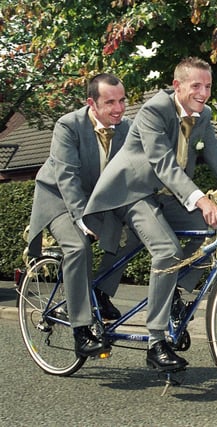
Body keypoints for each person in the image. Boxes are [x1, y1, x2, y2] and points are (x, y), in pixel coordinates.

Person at [83, 57, 217, 371]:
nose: (204, 92)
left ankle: (174, 291)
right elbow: (163, 164)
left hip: (168, 195)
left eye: (209, 86)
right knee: (167, 250)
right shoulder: (154, 110)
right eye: (197, 86)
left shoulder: (204, 115)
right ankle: (156, 341)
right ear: (178, 86)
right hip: (133, 193)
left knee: (214, 233)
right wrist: (202, 200)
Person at [26, 73, 134, 358]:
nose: (119, 108)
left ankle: (100, 292)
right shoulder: (68, 125)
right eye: (110, 102)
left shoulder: (126, 129)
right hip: (59, 198)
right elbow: (67, 176)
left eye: (122, 100)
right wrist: (80, 218)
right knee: (78, 246)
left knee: (135, 234)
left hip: (96, 202)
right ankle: (81, 331)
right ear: (92, 103)